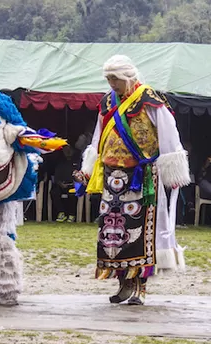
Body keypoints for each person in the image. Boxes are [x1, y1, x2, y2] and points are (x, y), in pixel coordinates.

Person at [75, 55, 191, 306]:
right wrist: (88, 169)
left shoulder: (149, 100)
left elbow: (169, 132)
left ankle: (139, 286)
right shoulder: (108, 102)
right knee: (113, 233)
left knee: (140, 233)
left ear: (127, 77)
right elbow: (98, 137)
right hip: (112, 178)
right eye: (108, 79)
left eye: (114, 79)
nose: (111, 84)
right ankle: (123, 283)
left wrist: (172, 170)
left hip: (142, 176)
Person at [48, 145, 82, 222]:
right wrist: (60, 183)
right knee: (54, 192)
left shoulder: (77, 162)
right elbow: (56, 176)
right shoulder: (60, 162)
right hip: (61, 185)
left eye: (69, 149)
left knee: (72, 194)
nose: (68, 151)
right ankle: (61, 213)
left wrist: (75, 182)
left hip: (73, 185)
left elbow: (81, 175)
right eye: (65, 150)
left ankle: (72, 215)